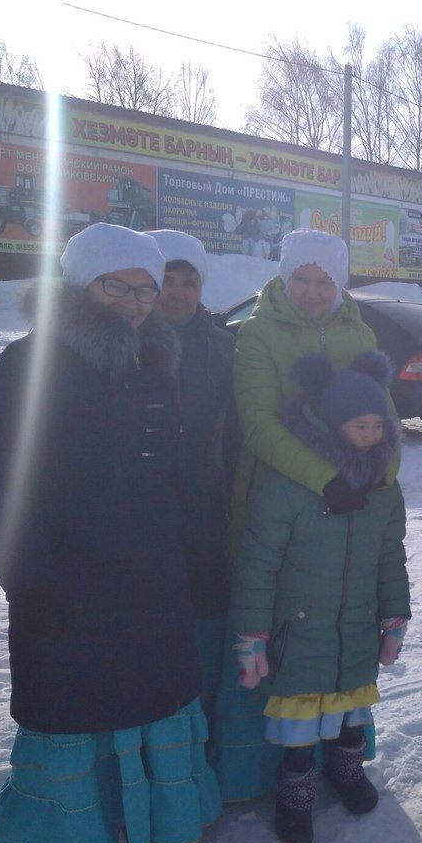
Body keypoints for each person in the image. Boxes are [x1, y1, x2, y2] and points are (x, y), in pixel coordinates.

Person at [0, 223, 220, 843]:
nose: (136, 300)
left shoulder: (157, 359)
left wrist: (198, 555)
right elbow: (4, 480)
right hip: (66, 571)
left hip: (150, 568)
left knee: (156, 695)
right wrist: (26, 575)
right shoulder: (28, 365)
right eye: (117, 285)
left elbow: (181, 472)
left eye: (146, 287)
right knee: (75, 706)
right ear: (80, 284)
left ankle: (169, 823)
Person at [214, 228, 399, 801]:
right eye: (302, 279)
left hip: (356, 498)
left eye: (325, 282)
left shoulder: (357, 328)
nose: (314, 293)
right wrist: (327, 478)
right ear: (283, 277)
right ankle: (276, 774)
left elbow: (382, 411)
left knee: (344, 624)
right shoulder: (258, 334)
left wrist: (381, 477)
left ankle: (343, 761)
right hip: (287, 494)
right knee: (292, 630)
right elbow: (260, 424)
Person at [230, 351, 410, 843]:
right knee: (300, 726)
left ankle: (348, 772)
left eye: (378, 425)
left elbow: (391, 556)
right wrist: (252, 636)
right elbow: (258, 563)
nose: (372, 436)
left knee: (352, 712)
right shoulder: (290, 486)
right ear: (332, 425)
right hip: (299, 628)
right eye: (359, 426)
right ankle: (296, 795)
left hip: (355, 628)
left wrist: (394, 617)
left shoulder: (383, 489)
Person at [147, 230, 235, 743]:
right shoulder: (124, 344)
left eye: (189, 281)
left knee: (204, 637)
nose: (177, 292)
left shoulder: (223, 349)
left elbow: (241, 439)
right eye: (165, 280)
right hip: (138, 521)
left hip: (206, 519)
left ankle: (200, 753)